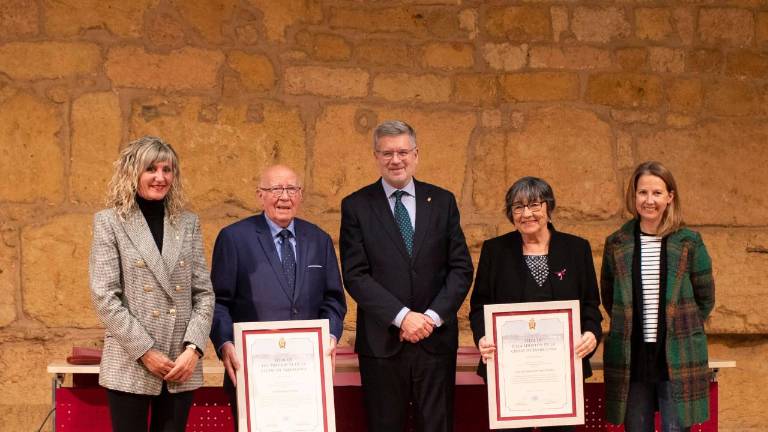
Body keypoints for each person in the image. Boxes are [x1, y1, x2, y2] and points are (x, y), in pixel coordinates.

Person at [339, 120, 474, 432]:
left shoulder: (443, 201)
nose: (395, 160)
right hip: (382, 343)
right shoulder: (356, 205)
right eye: (387, 153)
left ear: (416, 155)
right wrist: (402, 317)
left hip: (435, 341)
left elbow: (461, 268)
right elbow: (355, 274)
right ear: (376, 156)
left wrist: (429, 317)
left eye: (402, 152)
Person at [89, 136, 215, 432]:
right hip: (131, 361)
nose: (160, 177)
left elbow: (204, 294)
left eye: (167, 169)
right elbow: (104, 296)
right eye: (151, 169)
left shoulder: (187, 223)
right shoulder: (110, 222)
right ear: (133, 173)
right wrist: (145, 352)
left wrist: (193, 349)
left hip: (180, 365)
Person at [209, 164, 347, 422]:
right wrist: (225, 343)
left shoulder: (320, 239)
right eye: (275, 189)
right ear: (260, 194)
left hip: (307, 377)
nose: (285, 196)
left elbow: (333, 300)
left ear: (301, 194)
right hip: (253, 375)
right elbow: (217, 302)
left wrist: (329, 336)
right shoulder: (234, 238)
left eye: (292, 189)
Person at [469, 176, 603, 432]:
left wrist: (591, 334)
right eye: (518, 207)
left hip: (562, 374)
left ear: (548, 207)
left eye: (534, 205)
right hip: (509, 376)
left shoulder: (577, 249)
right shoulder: (495, 251)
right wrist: (482, 338)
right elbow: (479, 307)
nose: (526, 213)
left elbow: (590, 306)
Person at [601, 161, 715, 432]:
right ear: (634, 195)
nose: (649, 200)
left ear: (670, 197)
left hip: (675, 355)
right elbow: (610, 297)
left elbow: (705, 297)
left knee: (676, 428)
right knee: (636, 427)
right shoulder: (617, 242)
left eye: (657, 193)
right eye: (642, 193)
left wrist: (682, 329)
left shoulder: (689, 241)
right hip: (633, 355)